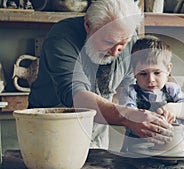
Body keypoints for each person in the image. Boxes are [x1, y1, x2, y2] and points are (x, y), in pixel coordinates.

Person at [28, 0, 173, 149]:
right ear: (88, 25)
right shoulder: (62, 37)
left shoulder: (130, 39)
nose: (114, 52)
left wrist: (154, 114)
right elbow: (77, 97)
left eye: (122, 45)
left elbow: (127, 93)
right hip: (52, 133)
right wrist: (127, 117)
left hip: (98, 134)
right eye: (108, 41)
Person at [119, 36, 184, 152]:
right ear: (134, 72)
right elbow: (127, 114)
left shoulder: (172, 90)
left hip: (170, 151)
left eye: (157, 72)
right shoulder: (130, 92)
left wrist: (176, 109)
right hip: (135, 153)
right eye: (143, 74)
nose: (150, 79)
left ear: (168, 69)